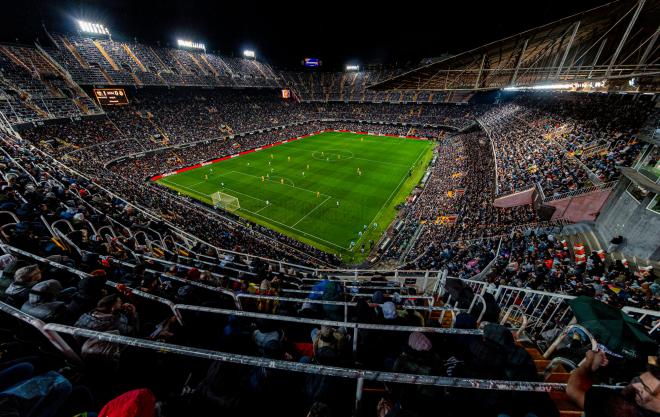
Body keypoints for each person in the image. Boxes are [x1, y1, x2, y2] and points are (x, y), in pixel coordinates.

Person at [567, 350, 660, 416]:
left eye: (644, 388)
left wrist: (589, 361)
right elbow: (649, 359)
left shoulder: (622, 410)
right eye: (638, 381)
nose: (635, 386)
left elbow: (573, 389)